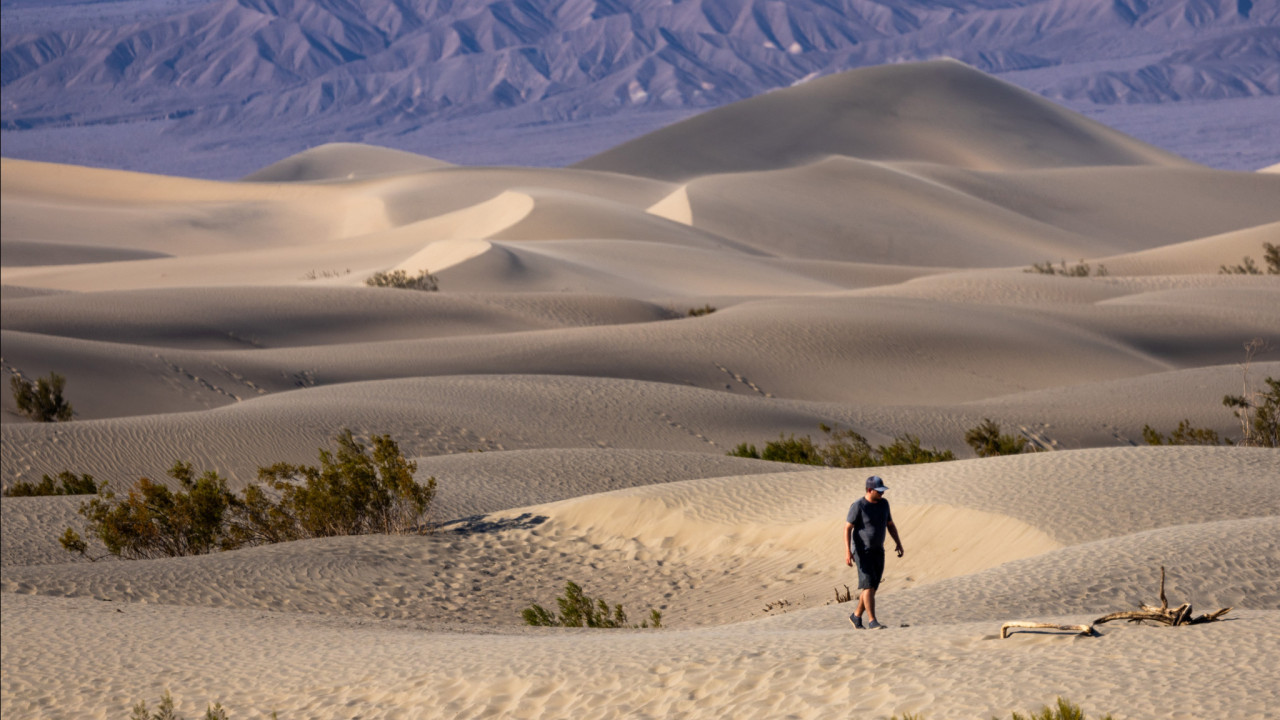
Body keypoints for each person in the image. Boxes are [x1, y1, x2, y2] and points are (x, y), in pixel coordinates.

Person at [844, 475, 904, 629]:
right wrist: (847, 551)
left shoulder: (884, 504)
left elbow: (890, 524)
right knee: (869, 585)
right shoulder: (858, 506)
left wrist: (898, 542)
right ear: (870, 490)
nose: (882, 494)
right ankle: (872, 621)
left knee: (872, 587)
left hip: (878, 550)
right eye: (879, 491)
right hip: (861, 551)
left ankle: (856, 616)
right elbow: (848, 528)